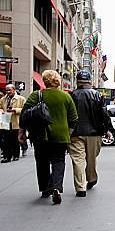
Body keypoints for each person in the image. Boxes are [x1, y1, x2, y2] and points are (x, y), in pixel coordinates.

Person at [20, 70, 78, 205]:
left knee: (42, 162)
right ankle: (57, 187)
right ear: (58, 81)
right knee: (59, 161)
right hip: (60, 136)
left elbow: (24, 115)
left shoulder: (36, 95)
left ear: (45, 81)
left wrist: (21, 132)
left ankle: (45, 189)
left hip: (40, 135)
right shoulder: (66, 97)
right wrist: (68, 133)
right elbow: (74, 118)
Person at [68, 70, 112, 197]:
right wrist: (107, 129)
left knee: (78, 160)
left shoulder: (72, 95)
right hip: (94, 133)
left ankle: (80, 187)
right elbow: (104, 114)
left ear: (77, 81)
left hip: (75, 133)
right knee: (91, 159)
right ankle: (91, 178)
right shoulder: (97, 95)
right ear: (90, 81)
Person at [0, 84, 25, 163]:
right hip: (5, 122)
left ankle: (16, 155)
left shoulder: (21, 99)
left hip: (16, 122)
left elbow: (25, 109)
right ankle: (7, 156)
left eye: (9, 90)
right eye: (6, 90)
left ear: (14, 90)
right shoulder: (3, 99)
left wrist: (14, 110)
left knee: (15, 140)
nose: (8, 92)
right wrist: (1, 111)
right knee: (6, 140)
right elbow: (0, 108)